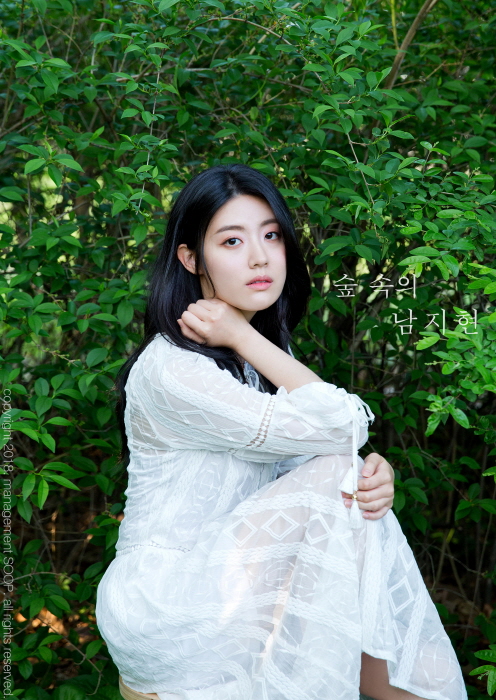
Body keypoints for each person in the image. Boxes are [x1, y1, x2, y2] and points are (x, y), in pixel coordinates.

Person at [95, 164, 467, 700]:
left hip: (236, 580)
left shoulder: (252, 356)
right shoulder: (174, 369)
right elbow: (343, 425)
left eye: (271, 235)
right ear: (191, 258)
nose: (260, 257)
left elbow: (325, 449)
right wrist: (243, 337)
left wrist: (371, 473)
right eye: (232, 240)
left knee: (350, 486)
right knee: (340, 476)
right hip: (166, 599)